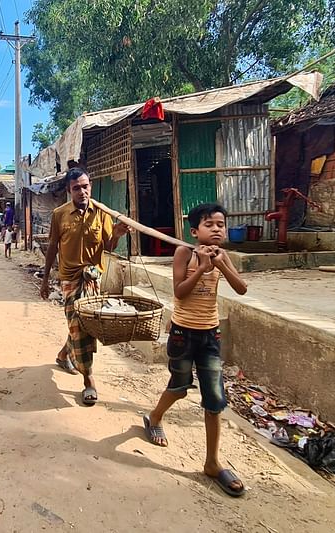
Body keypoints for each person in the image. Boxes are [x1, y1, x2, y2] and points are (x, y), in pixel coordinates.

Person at [142, 203, 248, 498]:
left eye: (220, 224)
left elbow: (241, 289)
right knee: (179, 387)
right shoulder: (183, 253)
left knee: (214, 399)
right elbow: (179, 292)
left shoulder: (223, 255)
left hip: (210, 336)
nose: (216, 229)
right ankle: (154, 418)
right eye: (209, 224)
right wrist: (201, 266)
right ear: (194, 231)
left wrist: (221, 264)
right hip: (182, 334)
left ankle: (212, 463)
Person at [39, 168, 130, 405]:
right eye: (77, 188)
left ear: (91, 186)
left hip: (92, 279)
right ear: (69, 190)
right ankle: (89, 380)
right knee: (79, 326)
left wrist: (118, 234)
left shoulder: (102, 213)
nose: (82, 191)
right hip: (69, 279)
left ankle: (63, 355)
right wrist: (46, 278)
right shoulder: (59, 215)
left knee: (84, 327)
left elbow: (108, 245)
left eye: (86, 186)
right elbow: (52, 248)